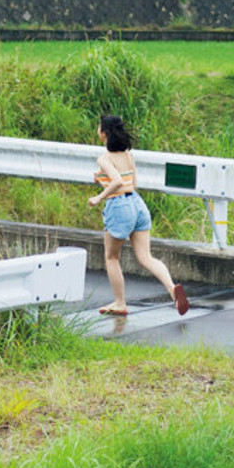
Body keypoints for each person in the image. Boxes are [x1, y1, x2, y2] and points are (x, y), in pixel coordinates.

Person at [88, 113, 189, 317]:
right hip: (137, 204)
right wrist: (102, 179)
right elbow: (132, 184)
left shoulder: (104, 158)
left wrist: (99, 197)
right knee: (146, 257)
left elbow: (117, 181)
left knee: (111, 257)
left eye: (99, 127)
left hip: (119, 207)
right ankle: (172, 289)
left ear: (104, 133)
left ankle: (120, 303)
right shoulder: (128, 154)